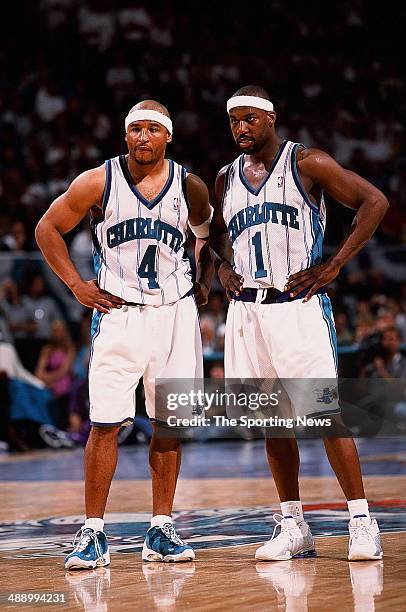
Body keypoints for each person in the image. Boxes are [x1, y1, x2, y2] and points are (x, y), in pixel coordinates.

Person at [210, 85, 389, 562]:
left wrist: (334, 265)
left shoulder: (306, 162)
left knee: (326, 414)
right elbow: (215, 237)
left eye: (249, 119)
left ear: (270, 118)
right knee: (271, 422)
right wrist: (220, 266)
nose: (241, 128)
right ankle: (292, 523)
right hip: (246, 311)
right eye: (234, 121)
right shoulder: (225, 178)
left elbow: (375, 203)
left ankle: (361, 520)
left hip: (296, 305)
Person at [35, 99, 213, 569]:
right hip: (117, 313)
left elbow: (207, 234)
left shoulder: (190, 186)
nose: (143, 137)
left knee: (169, 426)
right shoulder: (98, 180)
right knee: (105, 424)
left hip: (174, 316)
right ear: (125, 135)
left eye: (153, 129)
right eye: (135, 129)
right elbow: (47, 227)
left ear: (167, 136)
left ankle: (161, 528)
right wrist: (76, 285)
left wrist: (206, 279)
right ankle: (93, 532)